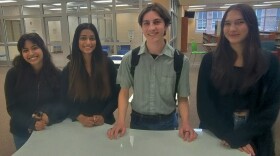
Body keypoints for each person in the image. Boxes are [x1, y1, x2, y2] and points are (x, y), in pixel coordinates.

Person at [197, 4, 280, 156]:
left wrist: (242, 136)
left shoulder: (270, 62)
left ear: (251, 25)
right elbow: (205, 107)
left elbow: (271, 108)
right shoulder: (210, 61)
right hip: (219, 134)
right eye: (227, 24)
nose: (232, 28)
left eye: (239, 22)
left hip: (256, 135)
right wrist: (231, 136)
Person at [107, 3, 197, 142]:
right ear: (142, 28)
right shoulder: (130, 59)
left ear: (166, 25)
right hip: (138, 121)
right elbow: (124, 93)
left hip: (167, 122)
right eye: (146, 23)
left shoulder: (180, 60)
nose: (151, 28)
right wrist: (120, 121)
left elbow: (183, 98)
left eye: (157, 22)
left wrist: (185, 123)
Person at [4, 33, 67, 150]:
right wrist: (30, 122)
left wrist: (49, 116)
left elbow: (61, 103)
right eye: (25, 50)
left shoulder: (57, 74)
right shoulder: (13, 75)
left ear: (42, 48)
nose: (31, 53)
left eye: (34, 48)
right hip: (22, 131)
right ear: (21, 53)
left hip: (49, 128)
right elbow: (12, 108)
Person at [61, 23, 119, 127]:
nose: (88, 42)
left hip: (105, 124)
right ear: (76, 41)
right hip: (79, 125)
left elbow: (116, 95)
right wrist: (79, 117)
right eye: (83, 38)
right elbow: (64, 99)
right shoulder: (70, 68)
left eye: (92, 38)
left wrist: (103, 116)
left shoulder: (107, 64)